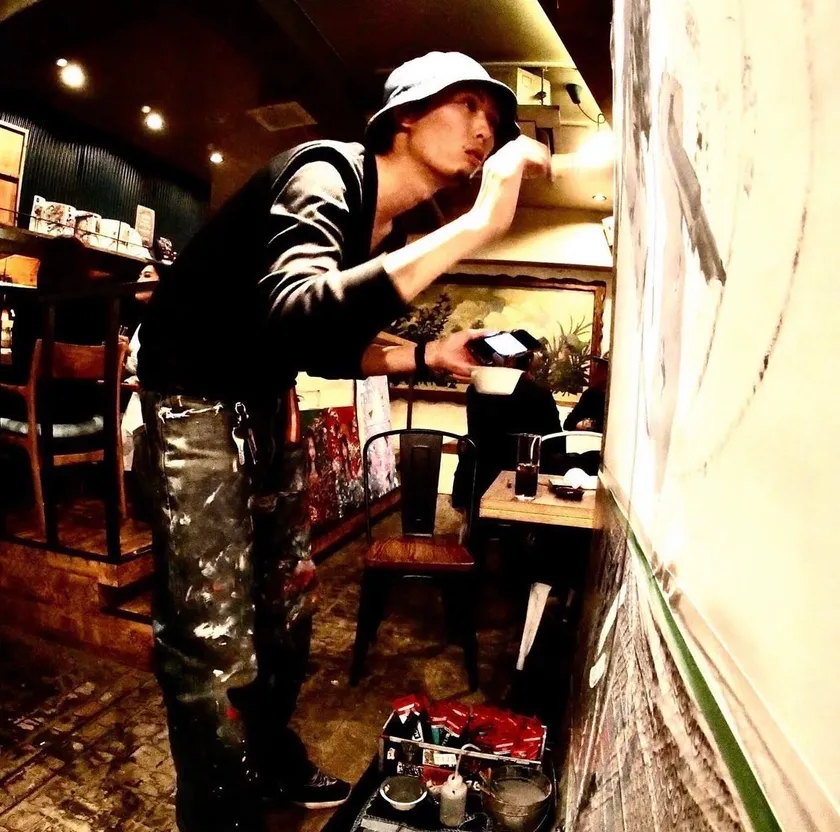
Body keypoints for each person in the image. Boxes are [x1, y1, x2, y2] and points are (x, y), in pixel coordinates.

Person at [137, 51, 550, 832]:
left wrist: (430, 355)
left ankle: (267, 758)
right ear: (405, 115)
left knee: (288, 605)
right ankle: (219, 814)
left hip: (263, 397)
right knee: (211, 633)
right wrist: (475, 226)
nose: (485, 128)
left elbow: (325, 347)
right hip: (191, 394)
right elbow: (297, 308)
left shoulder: (386, 229)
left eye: (494, 120)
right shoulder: (326, 170)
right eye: (468, 105)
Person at [452, 354, 560, 509]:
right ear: (529, 362)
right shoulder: (541, 394)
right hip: (526, 481)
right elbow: (557, 442)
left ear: (506, 361)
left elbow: (475, 433)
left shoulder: (475, 392)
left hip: (478, 478)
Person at [563, 354, 609, 432]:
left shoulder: (618, 398)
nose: (598, 372)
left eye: (603, 369)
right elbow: (568, 423)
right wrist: (582, 425)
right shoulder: (591, 394)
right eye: (599, 367)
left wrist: (591, 427)